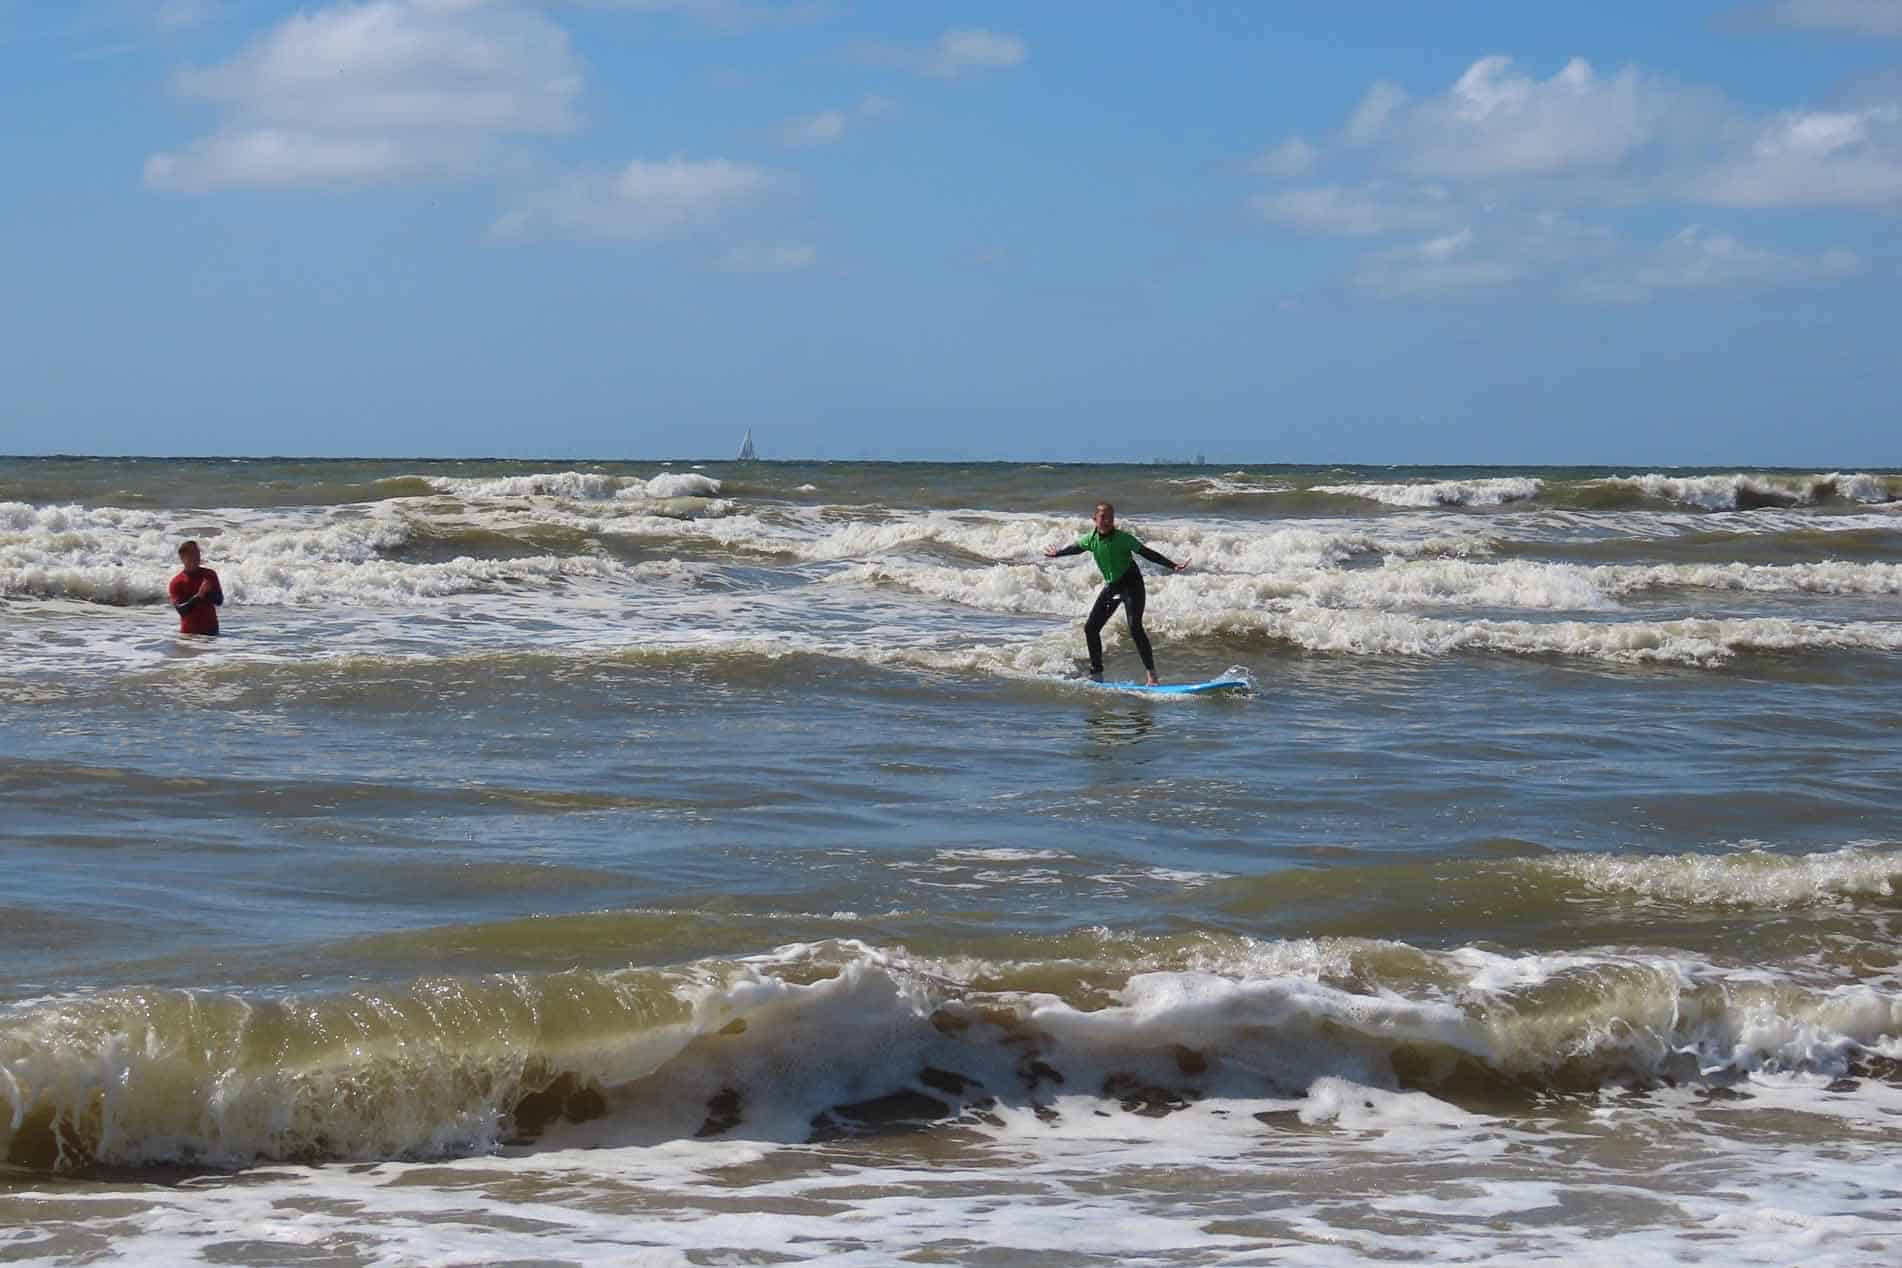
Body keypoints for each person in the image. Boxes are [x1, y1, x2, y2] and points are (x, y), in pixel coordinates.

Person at [1043, 502, 1186, 684]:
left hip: (1132, 584)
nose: (1107, 520)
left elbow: (1146, 552)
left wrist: (1172, 565)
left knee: (1135, 627)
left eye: (1110, 517)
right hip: (1113, 587)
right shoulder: (1091, 539)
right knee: (1091, 628)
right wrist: (1058, 553)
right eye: (1103, 517)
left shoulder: (1123, 538)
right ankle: (1097, 673)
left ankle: (1152, 675)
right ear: (1094, 519)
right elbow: (1077, 548)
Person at [168, 540, 223, 636]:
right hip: (189, 636)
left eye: (198, 553)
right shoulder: (177, 582)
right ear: (182, 557)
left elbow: (219, 601)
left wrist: (208, 593)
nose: (197, 557)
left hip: (212, 634)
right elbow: (181, 611)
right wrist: (198, 596)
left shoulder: (209, 574)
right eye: (192, 554)